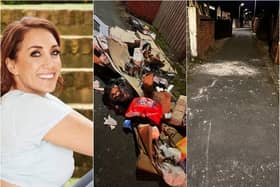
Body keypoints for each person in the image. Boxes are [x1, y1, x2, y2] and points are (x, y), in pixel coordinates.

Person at [0, 17, 93, 187]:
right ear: (12, 65)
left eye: (54, 52)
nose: (50, 63)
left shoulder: (21, 100)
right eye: (36, 53)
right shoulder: (29, 108)